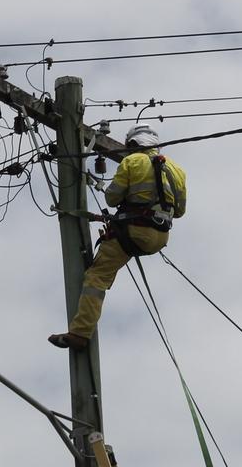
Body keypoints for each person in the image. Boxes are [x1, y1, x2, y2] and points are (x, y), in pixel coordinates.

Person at [48, 123, 187, 350]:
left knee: (97, 277)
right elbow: (179, 211)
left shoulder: (132, 162)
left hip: (134, 231)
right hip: (160, 237)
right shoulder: (177, 171)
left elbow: (112, 199)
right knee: (108, 265)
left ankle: (80, 334)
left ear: (133, 144)